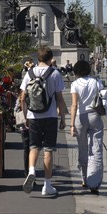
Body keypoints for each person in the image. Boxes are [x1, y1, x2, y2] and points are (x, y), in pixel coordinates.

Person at [20, 46, 65, 197]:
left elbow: (22, 98)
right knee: (48, 150)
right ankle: (47, 185)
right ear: (50, 58)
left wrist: (26, 117)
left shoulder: (29, 73)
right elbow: (59, 98)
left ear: (37, 58)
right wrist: (63, 118)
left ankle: (32, 170)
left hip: (33, 116)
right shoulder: (55, 73)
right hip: (50, 116)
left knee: (34, 147)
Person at [70, 59, 104, 194]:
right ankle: (94, 182)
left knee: (83, 149)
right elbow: (103, 98)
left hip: (81, 118)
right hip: (95, 116)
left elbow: (74, 105)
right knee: (96, 149)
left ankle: (84, 178)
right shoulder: (96, 82)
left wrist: (71, 124)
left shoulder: (75, 84)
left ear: (76, 71)